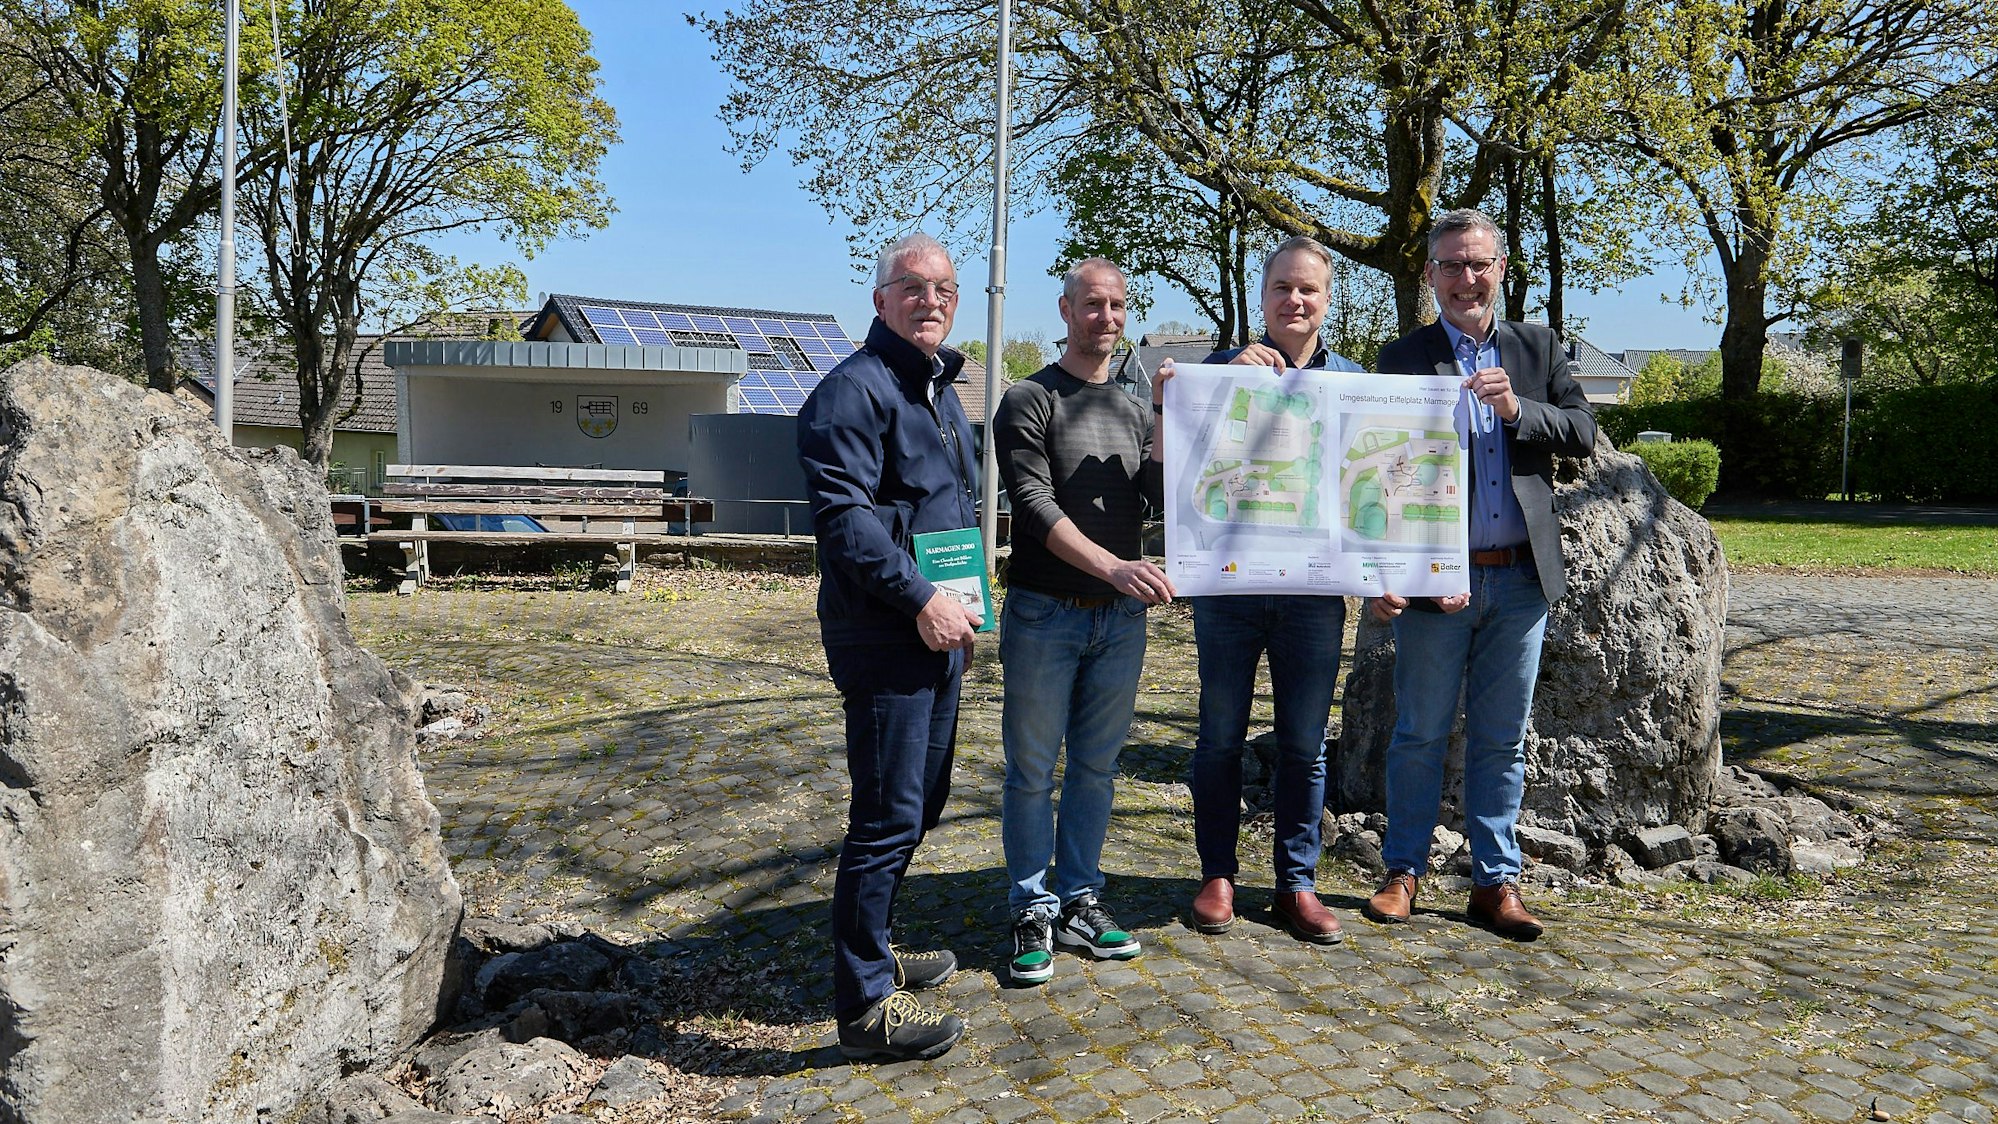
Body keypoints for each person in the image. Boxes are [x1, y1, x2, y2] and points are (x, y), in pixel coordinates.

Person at [1362, 208, 1596, 939]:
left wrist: (1518, 408)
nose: (1467, 278)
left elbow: (1583, 433)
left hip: (1521, 580)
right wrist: (1386, 571)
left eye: (1479, 264)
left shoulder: (1538, 346)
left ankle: (1496, 883)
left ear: (1501, 270)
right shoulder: (1400, 359)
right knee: (1419, 735)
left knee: (1503, 740)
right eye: (1452, 265)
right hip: (1438, 583)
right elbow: (1375, 476)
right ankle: (1403, 871)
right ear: (1431, 275)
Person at [797, 232, 981, 1060]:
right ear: (879, 302)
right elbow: (846, 525)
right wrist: (921, 601)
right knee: (883, 817)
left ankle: (878, 943)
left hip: (943, 631)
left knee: (921, 806)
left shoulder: (941, 392)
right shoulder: (851, 394)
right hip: (887, 634)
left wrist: (961, 606)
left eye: (943, 288)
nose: (930, 300)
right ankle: (865, 1008)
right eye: (912, 288)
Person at [1153, 235, 1364, 945]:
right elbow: (1172, 470)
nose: (1295, 300)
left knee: (1306, 748)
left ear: (1328, 301)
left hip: (1313, 598)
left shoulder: (1353, 384)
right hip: (1230, 596)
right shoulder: (1214, 374)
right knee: (1218, 740)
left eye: (1309, 290)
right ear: (1262, 297)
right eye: (1283, 289)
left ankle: (1296, 886)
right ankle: (1217, 874)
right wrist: (1217, 387)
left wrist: (1396, 572)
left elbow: (1375, 485)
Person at [995, 257, 1175, 986]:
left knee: (1097, 769)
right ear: (1065, 310)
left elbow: (1161, 497)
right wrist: (1114, 569)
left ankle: (1080, 899)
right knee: (1033, 771)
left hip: (1120, 622)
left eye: (1118, 307)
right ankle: (1030, 907)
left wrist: (1166, 412)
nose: (1107, 317)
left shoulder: (1134, 409)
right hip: (1045, 613)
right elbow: (1034, 509)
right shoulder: (1028, 398)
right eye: (1092, 305)